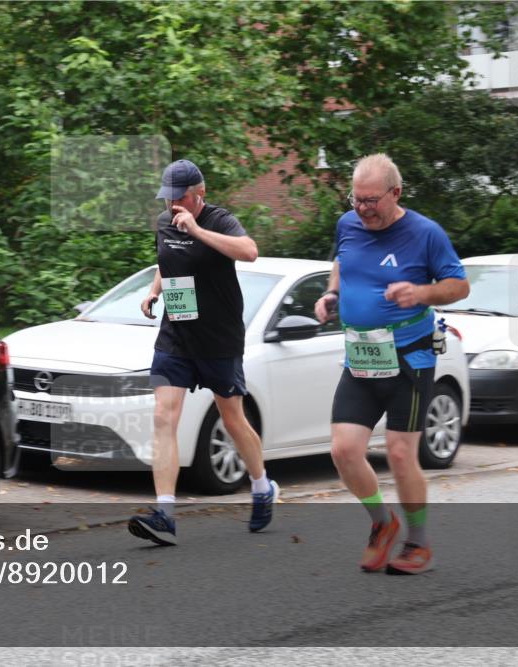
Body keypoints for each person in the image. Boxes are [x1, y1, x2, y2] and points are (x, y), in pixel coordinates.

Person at [314, 153, 469, 574]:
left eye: (371, 201)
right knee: (344, 451)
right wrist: (332, 294)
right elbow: (342, 262)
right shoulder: (349, 224)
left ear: (395, 193)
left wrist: (420, 294)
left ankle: (417, 542)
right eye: (356, 200)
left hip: (410, 359)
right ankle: (382, 525)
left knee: (401, 454)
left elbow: (459, 286)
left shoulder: (425, 234)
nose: (362, 209)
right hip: (362, 357)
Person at [128, 159, 278, 546]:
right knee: (164, 415)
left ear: (200, 195)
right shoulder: (164, 223)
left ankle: (262, 486)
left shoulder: (219, 220)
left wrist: (197, 230)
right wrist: (154, 291)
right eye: (167, 199)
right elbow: (169, 260)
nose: (171, 206)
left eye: (179, 199)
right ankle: (164, 513)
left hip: (218, 338)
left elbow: (249, 251)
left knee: (232, 419)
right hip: (176, 336)